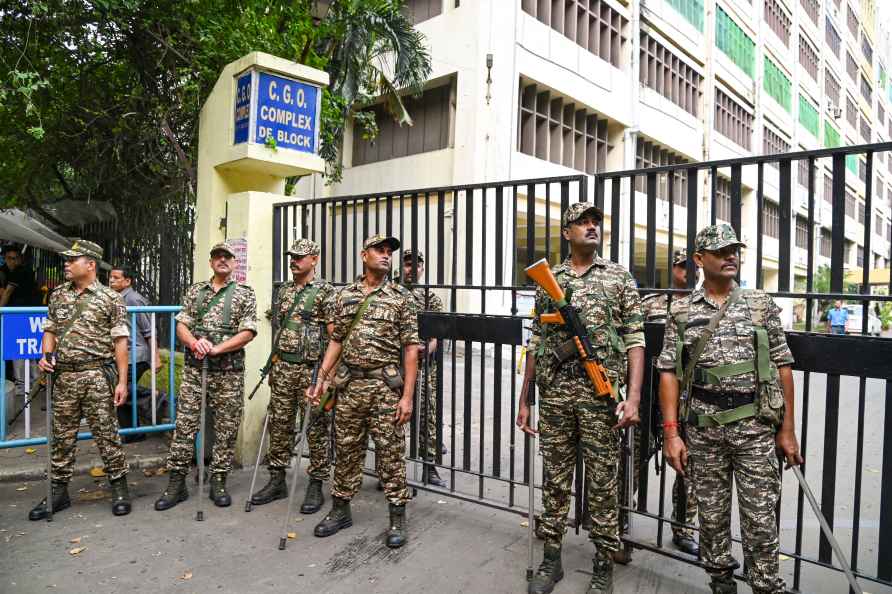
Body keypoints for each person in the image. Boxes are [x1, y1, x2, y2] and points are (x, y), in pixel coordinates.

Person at [657, 224, 803, 594]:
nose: (730, 256)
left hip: (754, 429)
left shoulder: (759, 304)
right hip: (704, 432)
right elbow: (669, 373)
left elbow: (783, 366)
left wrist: (787, 431)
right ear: (699, 259)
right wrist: (672, 434)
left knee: (760, 520)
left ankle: (766, 586)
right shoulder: (683, 310)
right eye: (721, 251)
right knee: (711, 518)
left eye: (734, 250)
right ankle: (721, 581)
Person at [517, 202, 645, 594]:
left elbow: (635, 340)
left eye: (596, 222)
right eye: (582, 222)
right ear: (566, 232)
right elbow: (536, 341)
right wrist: (526, 400)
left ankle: (603, 565)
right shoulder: (548, 279)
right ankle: (551, 559)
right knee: (555, 481)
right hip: (555, 397)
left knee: (604, 484)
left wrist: (634, 397)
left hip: (600, 398)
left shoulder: (619, 277)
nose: (591, 227)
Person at [309, 235, 419, 549]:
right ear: (363, 255)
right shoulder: (345, 296)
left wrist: (407, 397)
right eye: (379, 250)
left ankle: (397, 516)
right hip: (349, 387)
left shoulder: (401, 297)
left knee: (391, 454)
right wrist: (322, 379)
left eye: (389, 252)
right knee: (345, 450)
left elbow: (411, 350)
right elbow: (336, 341)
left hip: (385, 389)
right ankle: (340, 509)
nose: (386, 256)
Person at [29, 240, 132, 520]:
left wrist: (122, 381)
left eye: (72, 259)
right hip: (63, 377)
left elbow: (121, 341)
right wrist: (45, 355)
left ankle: (120, 487)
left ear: (90, 264)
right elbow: (50, 329)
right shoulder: (58, 295)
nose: (66, 263)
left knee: (107, 435)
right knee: (62, 438)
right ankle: (58, 492)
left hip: (97, 375)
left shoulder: (111, 298)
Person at [155, 241, 257, 511]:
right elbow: (182, 325)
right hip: (194, 372)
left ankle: (219, 479)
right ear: (211, 262)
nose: (222, 260)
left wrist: (217, 349)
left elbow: (248, 332)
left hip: (228, 374)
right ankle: (177, 483)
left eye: (227, 257)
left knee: (226, 428)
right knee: (185, 426)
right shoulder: (195, 291)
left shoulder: (245, 293)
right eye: (217, 257)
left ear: (234, 263)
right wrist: (193, 343)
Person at [250, 239, 335, 514]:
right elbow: (280, 328)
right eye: (292, 256)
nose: (294, 261)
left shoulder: (325, 293)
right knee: (280, 423)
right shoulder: (284, 290)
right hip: (283, 367)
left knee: (316, 427)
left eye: (300, 257)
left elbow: (335, 336)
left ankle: (316, 483)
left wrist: (326, 376)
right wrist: (273, 365)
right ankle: (277, 479)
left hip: (311, 370)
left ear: (314, 259)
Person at [637, 249, 699, 557]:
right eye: (681, 266)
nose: (687, 272)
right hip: (650, 395)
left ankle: (683, 529)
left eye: (692, 266)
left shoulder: (706, 306)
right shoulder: (651, 303)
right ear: (672, 270)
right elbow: (632, 341)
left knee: (688, 467)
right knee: (632, 459)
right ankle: (619, 517)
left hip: (689, 400)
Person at [401, 248, 447, 488]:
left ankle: (429, 467)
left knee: (427, 416)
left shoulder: (431, 298)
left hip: (423, 367)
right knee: (391, 417)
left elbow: (438, 335)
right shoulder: (392, 293)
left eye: (417, 265)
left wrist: (426, 349)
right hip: (395, 365)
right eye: (408, 264)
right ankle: (388, 469)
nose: (412, 269)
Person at [108, 265, 162, 442]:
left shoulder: (133, 299)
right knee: (120, 396)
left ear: (127, 281)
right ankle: (132, 435)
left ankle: (154, 395)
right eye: (111, 277)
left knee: (119, 389)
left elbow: (149, 330)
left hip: (136, 355)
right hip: (125, 355)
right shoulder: (115, 298)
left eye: (116, 277)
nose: (111, 280)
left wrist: (156, 357)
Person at [2, 245, 39, 400]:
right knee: (29, 350)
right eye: (10, 258)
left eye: (15, 258)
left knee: (19, 351)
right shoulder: (22, 271)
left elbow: (8, 292)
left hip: (19, 315)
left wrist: (0, 309)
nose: (13, 262)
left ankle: (21, 385)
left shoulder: (19, 272)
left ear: (20, 259)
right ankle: (35, 381)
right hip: (27, 315)